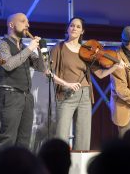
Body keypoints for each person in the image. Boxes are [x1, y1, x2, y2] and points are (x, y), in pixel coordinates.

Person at [50, 17, 124, 150]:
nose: (74, 28)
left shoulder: (87, 50)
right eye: (72, 25)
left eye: (78, 27)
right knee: (61, 134)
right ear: (68, 28)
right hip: (66, 94)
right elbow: (49, 73)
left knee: (83, 135)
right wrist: (66, 84)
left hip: (85, 94)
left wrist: (115, 66)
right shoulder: (59, 48)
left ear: (82, 31)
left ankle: (79, 168)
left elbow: (100, 74)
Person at [0, 13, 45, 149]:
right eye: (23, 21)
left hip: (26, 97)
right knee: (8, 138)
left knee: (24, 139)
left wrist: (40, 51)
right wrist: (29, 49)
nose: (27, 25)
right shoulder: (1, 44)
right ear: (11, 25)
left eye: (28, 22)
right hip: (10, 95)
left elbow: (41, 67)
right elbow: (8, 64)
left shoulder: (23, 47)